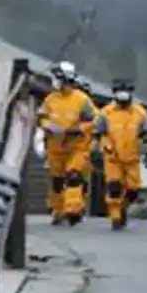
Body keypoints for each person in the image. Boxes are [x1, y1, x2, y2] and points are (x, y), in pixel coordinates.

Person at [36, 61, 98, 226]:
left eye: (58, 78)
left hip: (77, 146)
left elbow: (95, 120)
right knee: (57, 181)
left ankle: (73, 210)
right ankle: (57, 210)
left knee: (74, 176)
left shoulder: (82, 100)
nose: (55, 81)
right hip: (55, 147)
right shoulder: (50, 99)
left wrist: (79, 129)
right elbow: (41, 117)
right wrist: (48, 126)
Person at [96, 79, 147, 230]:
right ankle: (115, 216)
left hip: (132, 158)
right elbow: (98, 133)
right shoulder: (106, 113)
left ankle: (123, 208)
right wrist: (103, 146)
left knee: (133, 191)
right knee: (114, 187)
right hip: (113, 157)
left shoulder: (140, 113)